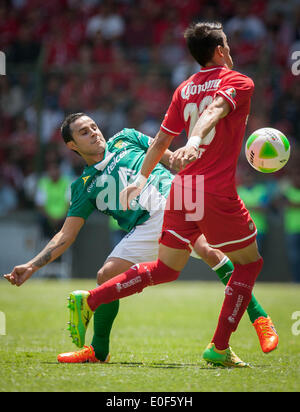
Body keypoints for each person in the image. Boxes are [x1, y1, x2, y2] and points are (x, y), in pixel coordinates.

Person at [66, 22, 278, 368]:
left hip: (182, 189)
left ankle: (90, 300)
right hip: (213, 190)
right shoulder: (240, 81)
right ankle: (221, 347)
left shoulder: (184, 89)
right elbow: (214, 111)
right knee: (249, 263)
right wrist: (195, 140)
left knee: (166, 269)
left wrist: (140, 179)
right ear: (221, 50)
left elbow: (162, 140)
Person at [3, 113, 276, 364]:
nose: (94, 133)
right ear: (72, 146)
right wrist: (32, 265)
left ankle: (260, 320)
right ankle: (98, 352)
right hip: (144, 226)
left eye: (94, 127)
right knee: (105, 276)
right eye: (84, 133)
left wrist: (194, 156)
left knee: (208, 250)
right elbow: (66, 234)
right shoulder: (83, 186)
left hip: (173, 201)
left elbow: (169, 159)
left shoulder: (126, 137)